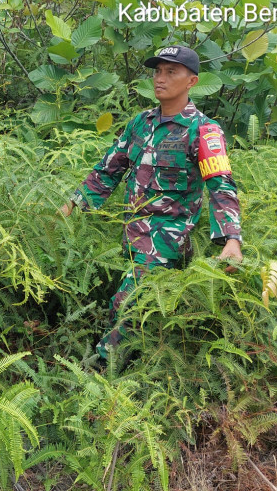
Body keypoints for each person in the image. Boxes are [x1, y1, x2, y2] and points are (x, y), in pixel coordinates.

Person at [60, 45, 243, 359]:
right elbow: (109, 168)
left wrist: (232, 238)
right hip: (131, 231)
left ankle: (102, 373)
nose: (161, 78)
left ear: (192, 82)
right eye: (158, 71)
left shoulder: (204, 131)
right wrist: (73, 204)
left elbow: (220, 184)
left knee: (128, 303)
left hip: (167, 235)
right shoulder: (140, 123)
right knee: (126, 300)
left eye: (171, 72)